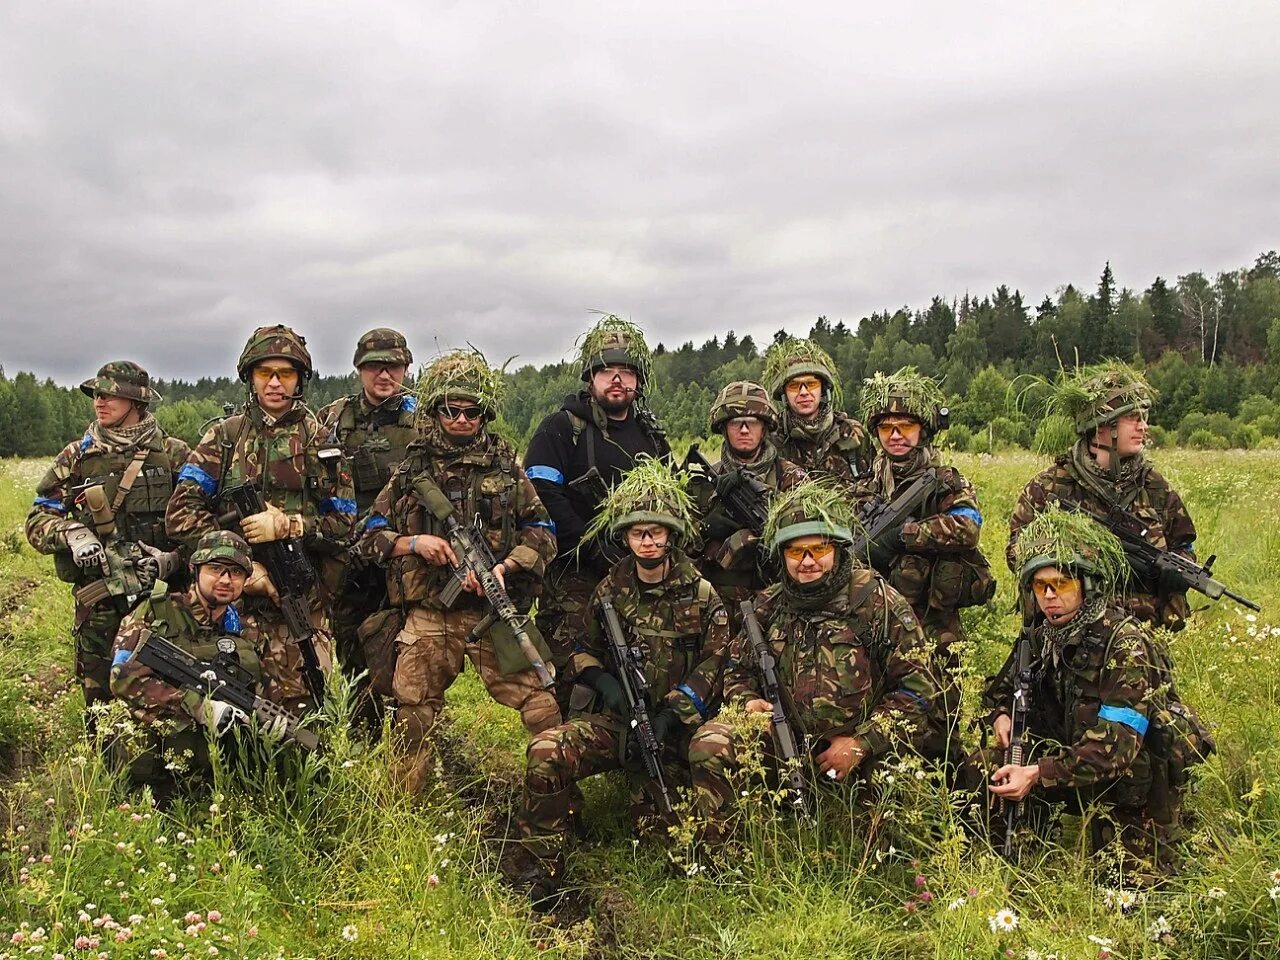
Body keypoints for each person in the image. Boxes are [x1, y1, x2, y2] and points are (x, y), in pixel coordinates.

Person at [511, 457, 728, 901]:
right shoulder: (610, 589)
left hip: (676, 727)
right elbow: (581, 650)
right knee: (545, 749)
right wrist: (607, 687)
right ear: (626, 537)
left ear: (672, 534)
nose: (647, 542)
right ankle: (542, 861)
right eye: (637, 533)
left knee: (659, 829)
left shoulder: (703, 594)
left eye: (656, 532)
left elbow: (719, 662)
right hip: (619, 722)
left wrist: (674, 711)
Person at [688, 479, 941, 843]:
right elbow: (736, 670)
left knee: (895, 834)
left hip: (863, 746)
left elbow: (919, 690)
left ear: (838, 549)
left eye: (818, 548)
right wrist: (746, 700)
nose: (807, 561)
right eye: (795, 551)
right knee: (710, 744)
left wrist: (861, 743)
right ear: (782, 555)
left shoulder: (876, 600)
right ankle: (728, 859)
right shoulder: (767, 605)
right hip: (782, 740)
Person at [353, 349, 559, 793]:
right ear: (436, 410)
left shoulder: (507, 468)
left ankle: (551, 795)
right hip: (431, 612)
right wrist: (414, 544)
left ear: (484, 414)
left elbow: (543, 531)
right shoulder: (412, 470)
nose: (462, 420)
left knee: (541, 700)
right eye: (452, 410)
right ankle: (406, 810)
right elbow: (366, 534)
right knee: (412, 710)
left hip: (492, 607)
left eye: (472, 412)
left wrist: (504, 566)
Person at [977, 506, 1212, 880]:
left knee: (1124, 889)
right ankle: (1022, 843)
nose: (1050, 596)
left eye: (1062, 584)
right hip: (1071, 762)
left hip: (1130, 781)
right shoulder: (1041, 635)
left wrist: (1038, 772)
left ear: (1088, 586)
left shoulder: (1125, 644)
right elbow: (997, 691)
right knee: (986, 762)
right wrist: (1001, 715)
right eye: (1041, 586)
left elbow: (1118, 747)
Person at [166, 325, 355, 713]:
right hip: (226, 600)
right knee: (220, 701)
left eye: (285, 374)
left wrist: (292, 525)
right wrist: (238, 563)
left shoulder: (322, 442)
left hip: (299, 599)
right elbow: (181, 512)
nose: (274, 383)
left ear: (299, 379)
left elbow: (345, 523)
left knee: (305, 709)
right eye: (264, 373)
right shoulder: (224, 438)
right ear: (250, 378)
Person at [25, 361, 190, 731]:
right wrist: (71, 533)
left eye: (110, 394)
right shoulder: (77, 457)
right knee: (99, 705)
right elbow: (37, 521)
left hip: (160, 598)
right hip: (100, 602)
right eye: (96, 394)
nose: (100, 401)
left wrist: (174, 560)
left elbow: (199, 523)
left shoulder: (174, 454)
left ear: (136, 401)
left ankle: (163, 774)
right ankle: (107, 778)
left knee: (167, 693)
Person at [850, 367, 995, 757]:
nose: (895, 435)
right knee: (884, 713)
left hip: (934, 620)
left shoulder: (946, 480)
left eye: (906, 426)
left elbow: (968, 527)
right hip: (881, 619)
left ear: (924, 429)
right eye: (887, 427)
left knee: (940, 721)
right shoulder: (867, 482)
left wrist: (904, 536)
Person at [523, 315, 670, 669]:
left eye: (626, 371)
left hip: (640, 569)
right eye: (607, 371)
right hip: (576, 573)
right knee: (574, 666)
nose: (617, 379)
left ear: (639, 380)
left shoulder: (651, 436)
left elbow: (668, 503)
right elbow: (541, 495)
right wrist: (589, 544)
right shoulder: (561, 428)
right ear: (590, 378)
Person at [1007, 361, 1195, 631]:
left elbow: (1184, 546)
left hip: (1146, 636)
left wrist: (1176, 571)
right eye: (1133, 418)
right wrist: (1084, 555)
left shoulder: (1155, 487)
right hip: (1069, 638)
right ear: (1101, 427)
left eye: (1144, 418)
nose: (1143, 427)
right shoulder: (1049, 488)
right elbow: (1017, 553)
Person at [109, 531, 282, 805]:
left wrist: (270, 722)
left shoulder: (247, 630)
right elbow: (122, 679)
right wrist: (197, 706)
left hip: (221, 775)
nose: (225, 579)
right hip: (159, 771)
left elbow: (267, 691)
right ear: (194, 569)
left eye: (236, 573)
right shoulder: (156, 613)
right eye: (216, 569)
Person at [319, 328, 422, 729]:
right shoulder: (332, 420)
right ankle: (360, 728)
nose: (384, 375)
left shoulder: (425, 420)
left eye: (393, 366)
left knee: (402, 648)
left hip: (404, 555)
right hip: (347, 556)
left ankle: (406, 731)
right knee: (348, 645)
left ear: (406, 368)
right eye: (375, 366)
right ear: (359, 369)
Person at [688, 381, 805, 632]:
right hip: (717, 609)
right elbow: (675, 555)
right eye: (735, 422)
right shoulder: (704, 485)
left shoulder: (791, 478)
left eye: (751, 422)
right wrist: (704, 530)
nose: (743, 429)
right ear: (724, 428)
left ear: (764, 428)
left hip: (779, 604)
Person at [762, 337, 871, 482]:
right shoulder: (772, 439)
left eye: (811, 384)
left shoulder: (852, 433)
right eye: (794, 386)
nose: (803, 392)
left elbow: (876, 484)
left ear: (823, 389)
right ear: (784, 395)